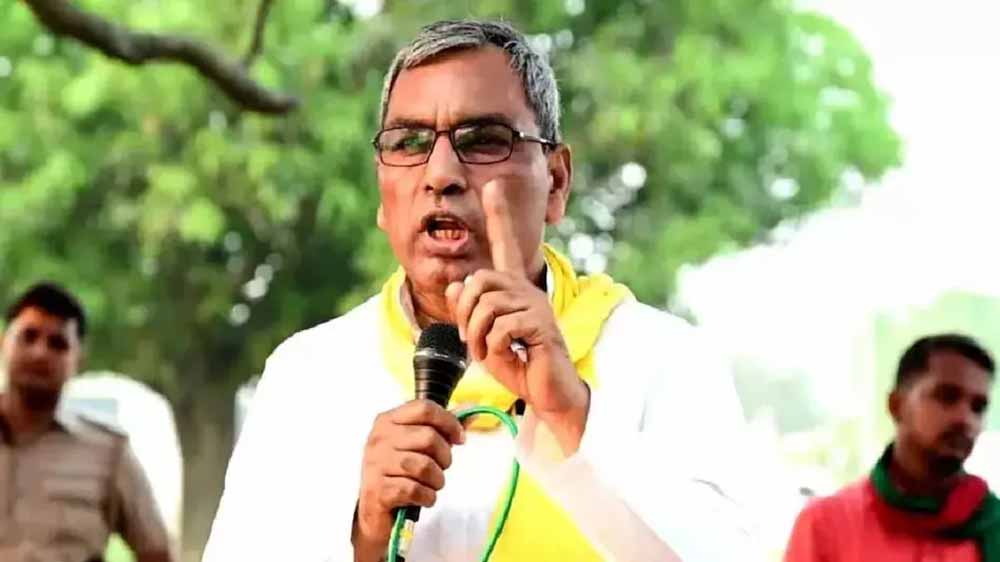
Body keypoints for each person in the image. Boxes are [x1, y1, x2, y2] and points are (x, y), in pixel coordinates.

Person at [204, 19, 756, 562]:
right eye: (409, 142)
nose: (440, 174)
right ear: (382, 191)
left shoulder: (658, 357)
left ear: (556, 182)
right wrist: (365, 537)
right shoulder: (311, 377)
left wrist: (570, 414)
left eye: (485, 141)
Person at [784, 334, 1000, 561]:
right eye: (946, 397)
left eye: (978, 407)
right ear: (896, 405)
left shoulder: (990, 524)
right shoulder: (825, 526)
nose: (965, 419)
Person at [0, 282, 174, 562]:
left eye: (58, 343)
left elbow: (157, 552)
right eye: (28, 336)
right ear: (3, 343)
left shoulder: (109, 453)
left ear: (78, 360)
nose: (40, 352)